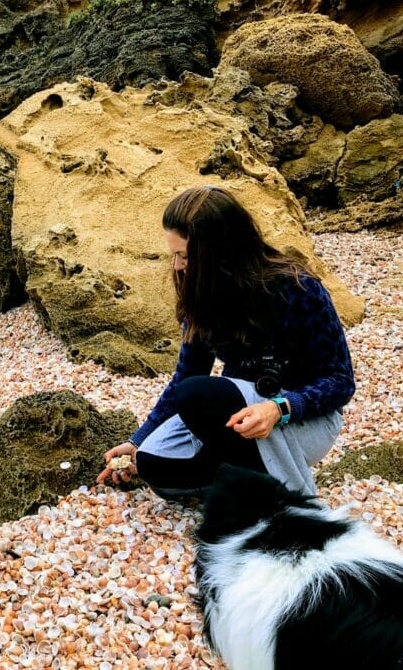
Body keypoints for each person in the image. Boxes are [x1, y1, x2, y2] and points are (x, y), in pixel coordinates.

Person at [96, 186, 355, 497]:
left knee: (197, 395)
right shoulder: (200, 293)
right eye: (174, 255)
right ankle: (243, 482)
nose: (178, 265)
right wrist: (137, 440)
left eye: (185, 255)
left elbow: (340, 382)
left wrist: (279, 409)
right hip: (236, 420)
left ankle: (293, 502)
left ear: (217, 251)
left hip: (301, 420)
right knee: (152, 464)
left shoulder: (297, 289)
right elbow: (187, 373)